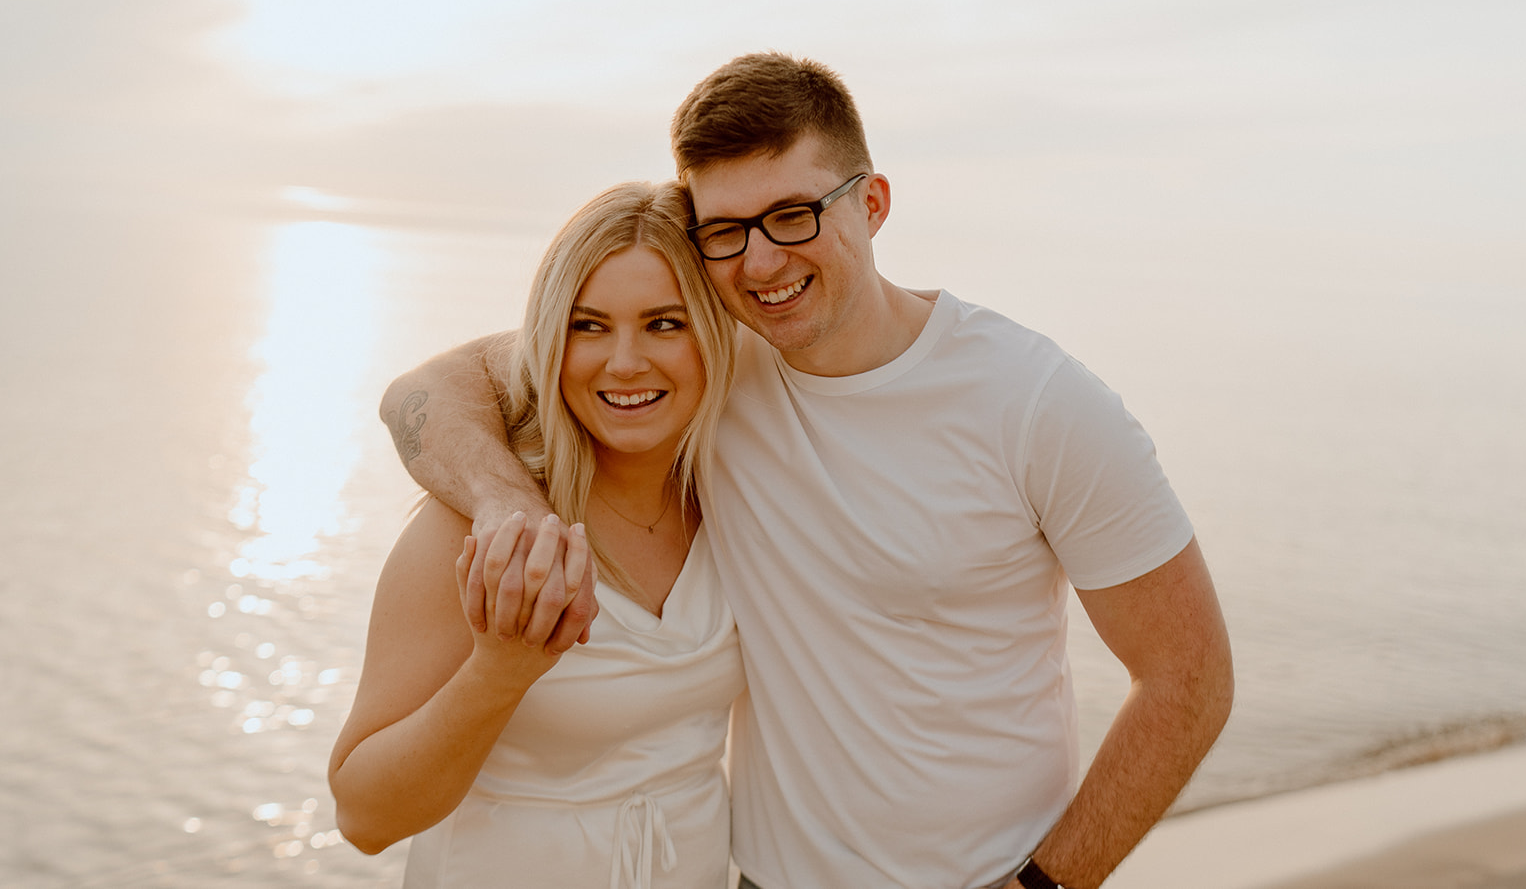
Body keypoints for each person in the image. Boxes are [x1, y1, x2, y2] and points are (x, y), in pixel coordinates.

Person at [381, 53, 1234, 889]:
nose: (761, 263)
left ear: (873, 202)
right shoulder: (708, 361)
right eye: (726, 231)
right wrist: (505, 503)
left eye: (794, 214)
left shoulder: (1037, 402)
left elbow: (1189, 680)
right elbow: (428, 390)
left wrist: (1044, 885)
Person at [331, 181, 745, 889]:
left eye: (664, 323)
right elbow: (364, 816)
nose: (624, 361)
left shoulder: (739, 497)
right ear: (551, 340)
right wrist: (499, 671)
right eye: (589, 326)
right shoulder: (475, 529)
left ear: (713, 330)